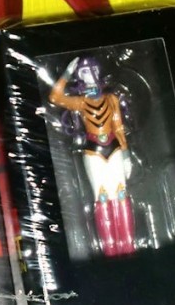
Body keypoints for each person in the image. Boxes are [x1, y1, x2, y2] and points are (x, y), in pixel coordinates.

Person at [49, 56, 136, 256]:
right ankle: (110, 250)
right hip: (93, 151)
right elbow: (55, 97)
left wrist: (126, 155)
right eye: (85, 71)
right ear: (80, 75)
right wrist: (67, 73)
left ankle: (128, 246)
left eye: (94, 70)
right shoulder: (80, 102)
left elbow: (119, 128)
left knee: (121, 194)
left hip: (114, 149)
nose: (91, 74)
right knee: (102, 196)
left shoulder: (111, 99)